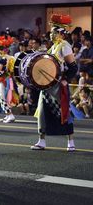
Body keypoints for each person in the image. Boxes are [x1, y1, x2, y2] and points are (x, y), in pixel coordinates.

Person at [31, 14, 78, 152]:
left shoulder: (65, 46)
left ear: (61, 33)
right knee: (42, 112)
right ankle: (41, 141)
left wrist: (65, 79)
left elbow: (73, 67)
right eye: (51, 32)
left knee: (63, 112)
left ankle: (71, 141)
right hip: (47, 86)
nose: (50, 34)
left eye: (53, 32)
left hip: (58, 86)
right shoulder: (53, 48)